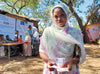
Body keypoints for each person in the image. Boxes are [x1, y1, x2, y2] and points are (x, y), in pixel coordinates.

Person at [39, 4, 86, 74]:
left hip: (69, 70)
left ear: (67, 15)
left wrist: (72, 61)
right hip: (52, 70)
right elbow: (42, 51)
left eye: (62, 15)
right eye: (56, 16)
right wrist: (48, 60)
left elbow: (79, 55)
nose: (59, 19)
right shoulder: (48, 32)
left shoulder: (75, 33)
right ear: (52, 17)